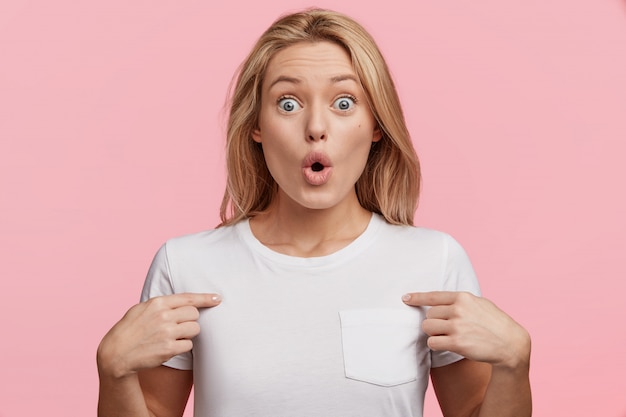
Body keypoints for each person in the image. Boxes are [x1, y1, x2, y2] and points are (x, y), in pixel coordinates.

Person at [97, 9, 531, 417]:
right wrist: (113, 372)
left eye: (344, 103)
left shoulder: (434, 261)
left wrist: (515, 362)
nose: (315, 127)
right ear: (257, 127)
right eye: (289, 103)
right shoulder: (187, 266)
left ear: (377, 125)